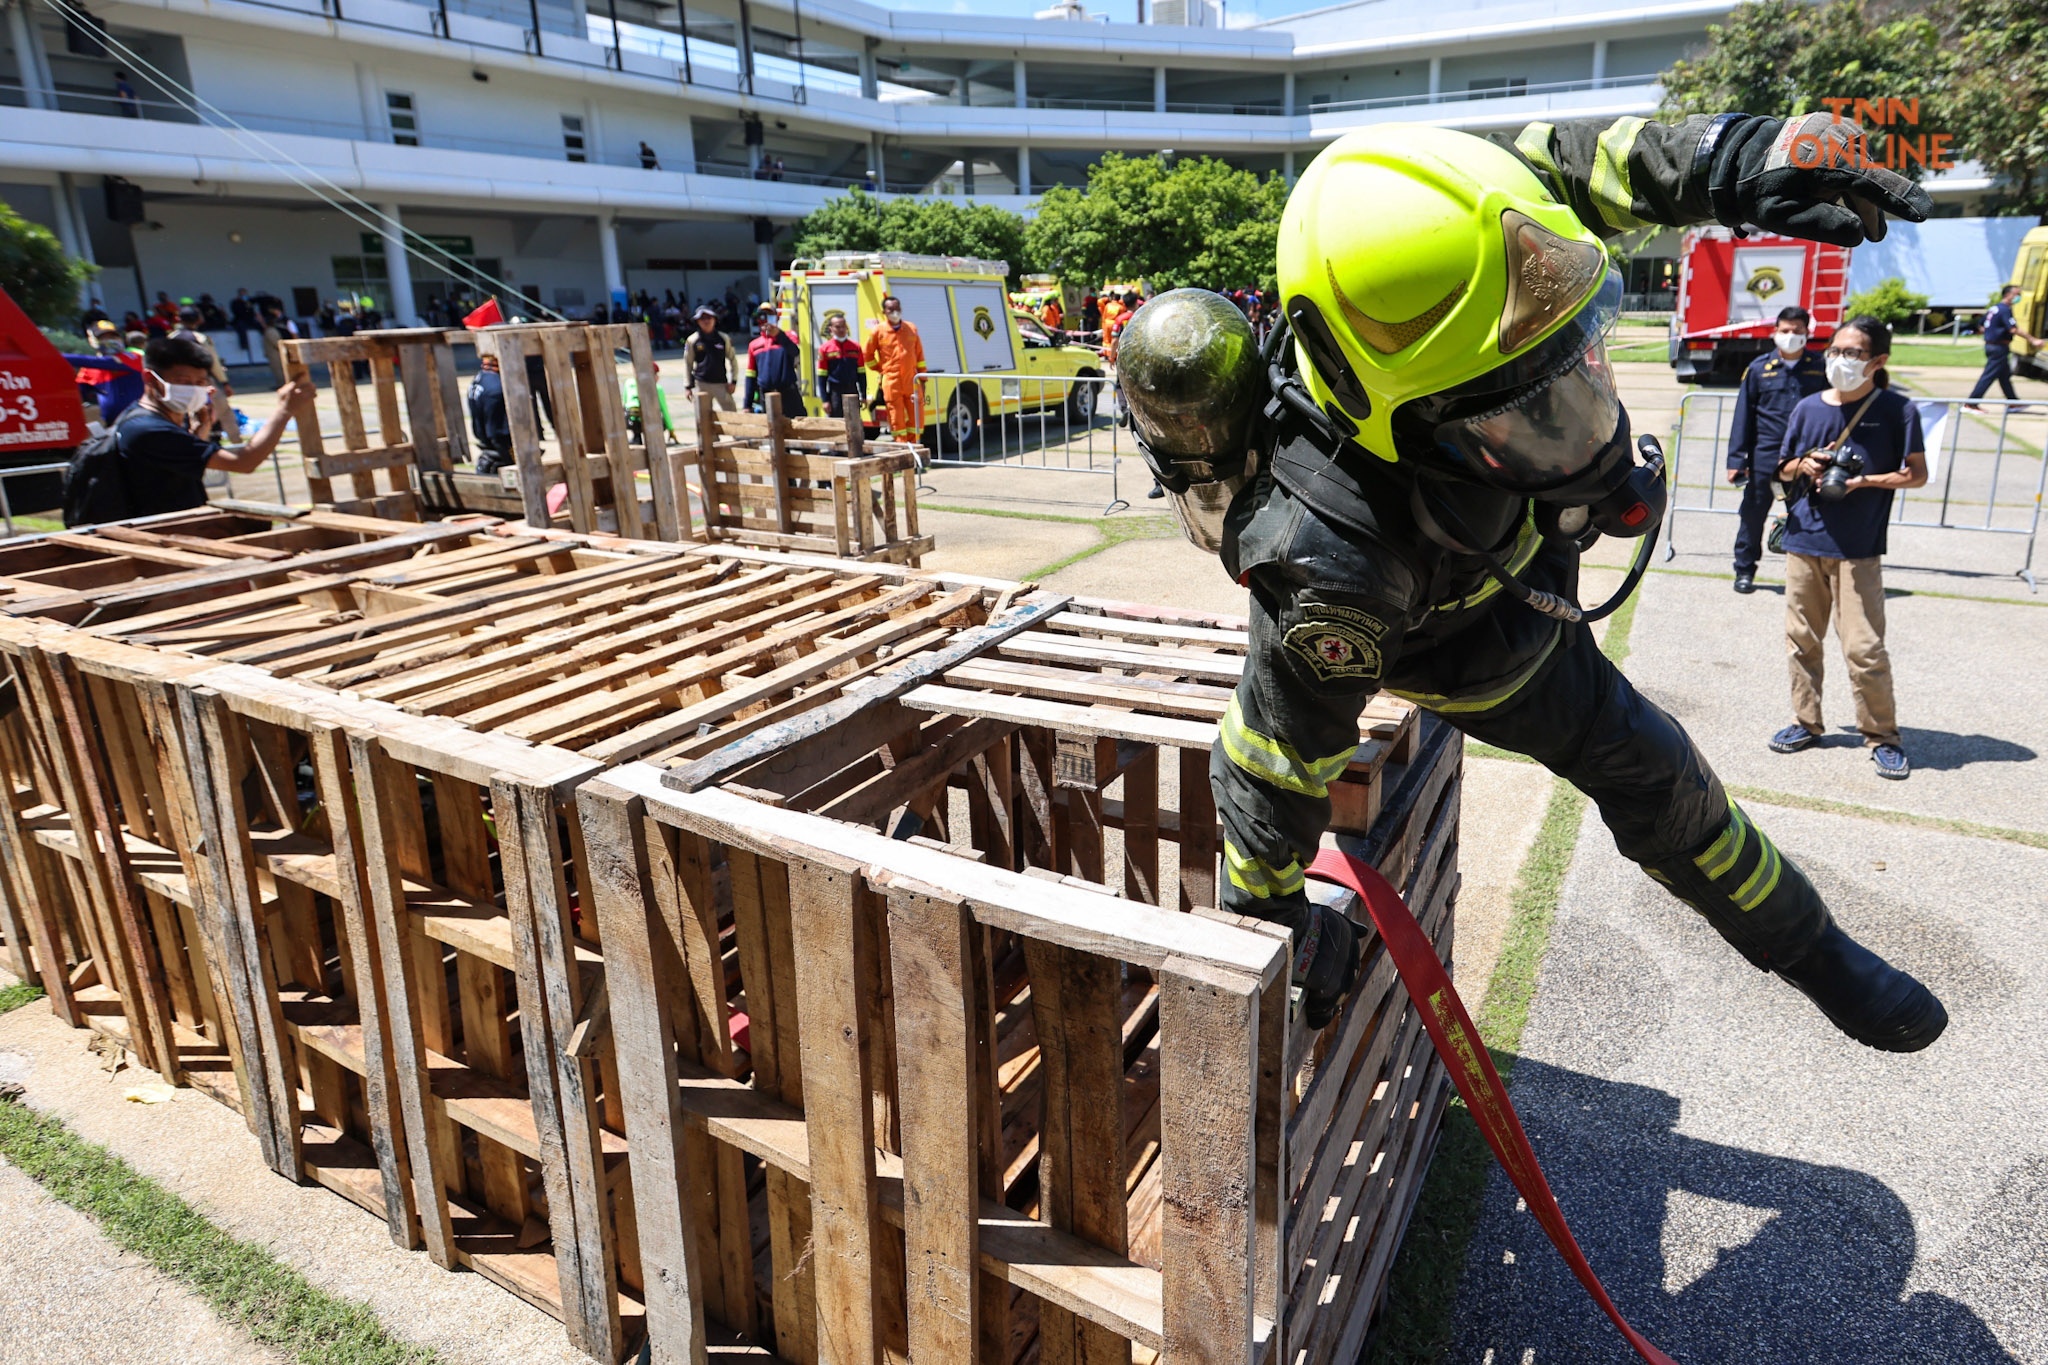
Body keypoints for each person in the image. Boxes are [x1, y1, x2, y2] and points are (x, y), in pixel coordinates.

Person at [1118, 110, 1948, 1053]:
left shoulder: (1459, 221)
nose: (1582, 427)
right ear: (1398, 416)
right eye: (1530, 414)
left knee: (1663, 777)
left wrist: (1734, 157)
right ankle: (1818, 953)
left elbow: (1580, 160)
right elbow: (1272, 759)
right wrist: (1278, 922)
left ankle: (1814, 953)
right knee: (1655, 768)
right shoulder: (1334, 567)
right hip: (1477, 648)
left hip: (1504, 559)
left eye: (1577, 372)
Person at [1766, 316, 1926, 779]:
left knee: (1864, 648)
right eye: (1835, 350)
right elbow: (1782, 468)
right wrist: (1805, 464)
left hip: (1858, 549)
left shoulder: (1897, 410)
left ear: (1878, 361)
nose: (1839, 359)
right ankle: (1806, 721)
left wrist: (1864, 481)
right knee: (1800, 640)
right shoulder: (1808, 408)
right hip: (1803, 540)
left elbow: (1916, 473)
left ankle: (1882, 735)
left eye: (1853, 353)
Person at [113, 335, 308, 516]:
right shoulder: (148, 430)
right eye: (183, 382)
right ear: (150, 380)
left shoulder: (139, 416)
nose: (193, 388)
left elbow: (176, 467)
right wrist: (285, 410)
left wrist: (200, 431)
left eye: (200, 382)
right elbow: (243, 462)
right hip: (160, 535)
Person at [1725, 306, 1828, 592]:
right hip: (1765, 459)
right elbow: (1742, 417)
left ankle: (1806, 575)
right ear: (1775, 333)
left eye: (1797, 331)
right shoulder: (1759, 369)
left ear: (1808, 333)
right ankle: (1744, 571)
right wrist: (1736, 460)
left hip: (1808, 459)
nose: (1790, 336)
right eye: (1785, 331)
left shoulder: (1820, 368)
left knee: (1808, 518)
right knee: (1752, 517)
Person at [1964, 283, 2041, 412]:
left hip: (1994, 346)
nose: (2019, 297)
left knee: (2004, 376)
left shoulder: (1995, 308)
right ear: (2008, 295)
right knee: (1988, 376)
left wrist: (1991, 334)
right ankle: (1971, 403)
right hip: (1998, 348)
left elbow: (1982, 324)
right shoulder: (2005, 310)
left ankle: (2013, 402)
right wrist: (2032, 339)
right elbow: (2013, 329)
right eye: (2017, 294)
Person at [862, 294, 927, 441]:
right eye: (891, 309)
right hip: (891, 382)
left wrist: (923, 379)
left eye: (897, 308)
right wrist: (881, 369)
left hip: (911, 381)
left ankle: (914, 449)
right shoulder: (878, 331)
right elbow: (867, 355)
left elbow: (920, 357)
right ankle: (902, 449)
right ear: (884, 311)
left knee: (916, 418)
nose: (895, 312)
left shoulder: (911, 329)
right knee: (896, 419)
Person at [743, 306, 804, 414]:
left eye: (770, 316)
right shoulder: (754, 345)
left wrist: (779, 335)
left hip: (788, 392)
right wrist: (747, 404)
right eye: (763, 316)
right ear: (758, 320)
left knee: (797, 425)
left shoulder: (789, 335)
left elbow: (795, 352)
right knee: (772, 427)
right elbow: (751, 375)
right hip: (766, 394)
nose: (766, 320)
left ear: (776, 318)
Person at [682, 304, 739, 411]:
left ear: (715, 319)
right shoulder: (692, 340)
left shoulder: (723, 338)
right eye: (702, 318)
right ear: (697, 321)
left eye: (709, 317)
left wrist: (734, 381)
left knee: (731, 413)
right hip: (701, 383)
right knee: (702, 417)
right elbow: (687, 363)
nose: (706, 321)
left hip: (721, 383)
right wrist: (687, 387)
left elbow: (733, 359)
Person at [816, 310, 865, 418]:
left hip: (852, 390)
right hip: (835, 392)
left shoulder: (855, 347)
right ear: (831, 329)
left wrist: (863, 395)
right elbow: (821, 377)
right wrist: (825, 400)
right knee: (837, 423)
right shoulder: (825, 349)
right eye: (838, 327)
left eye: (843, 326)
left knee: (854, 422)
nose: (841, 330)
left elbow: (861, 373)